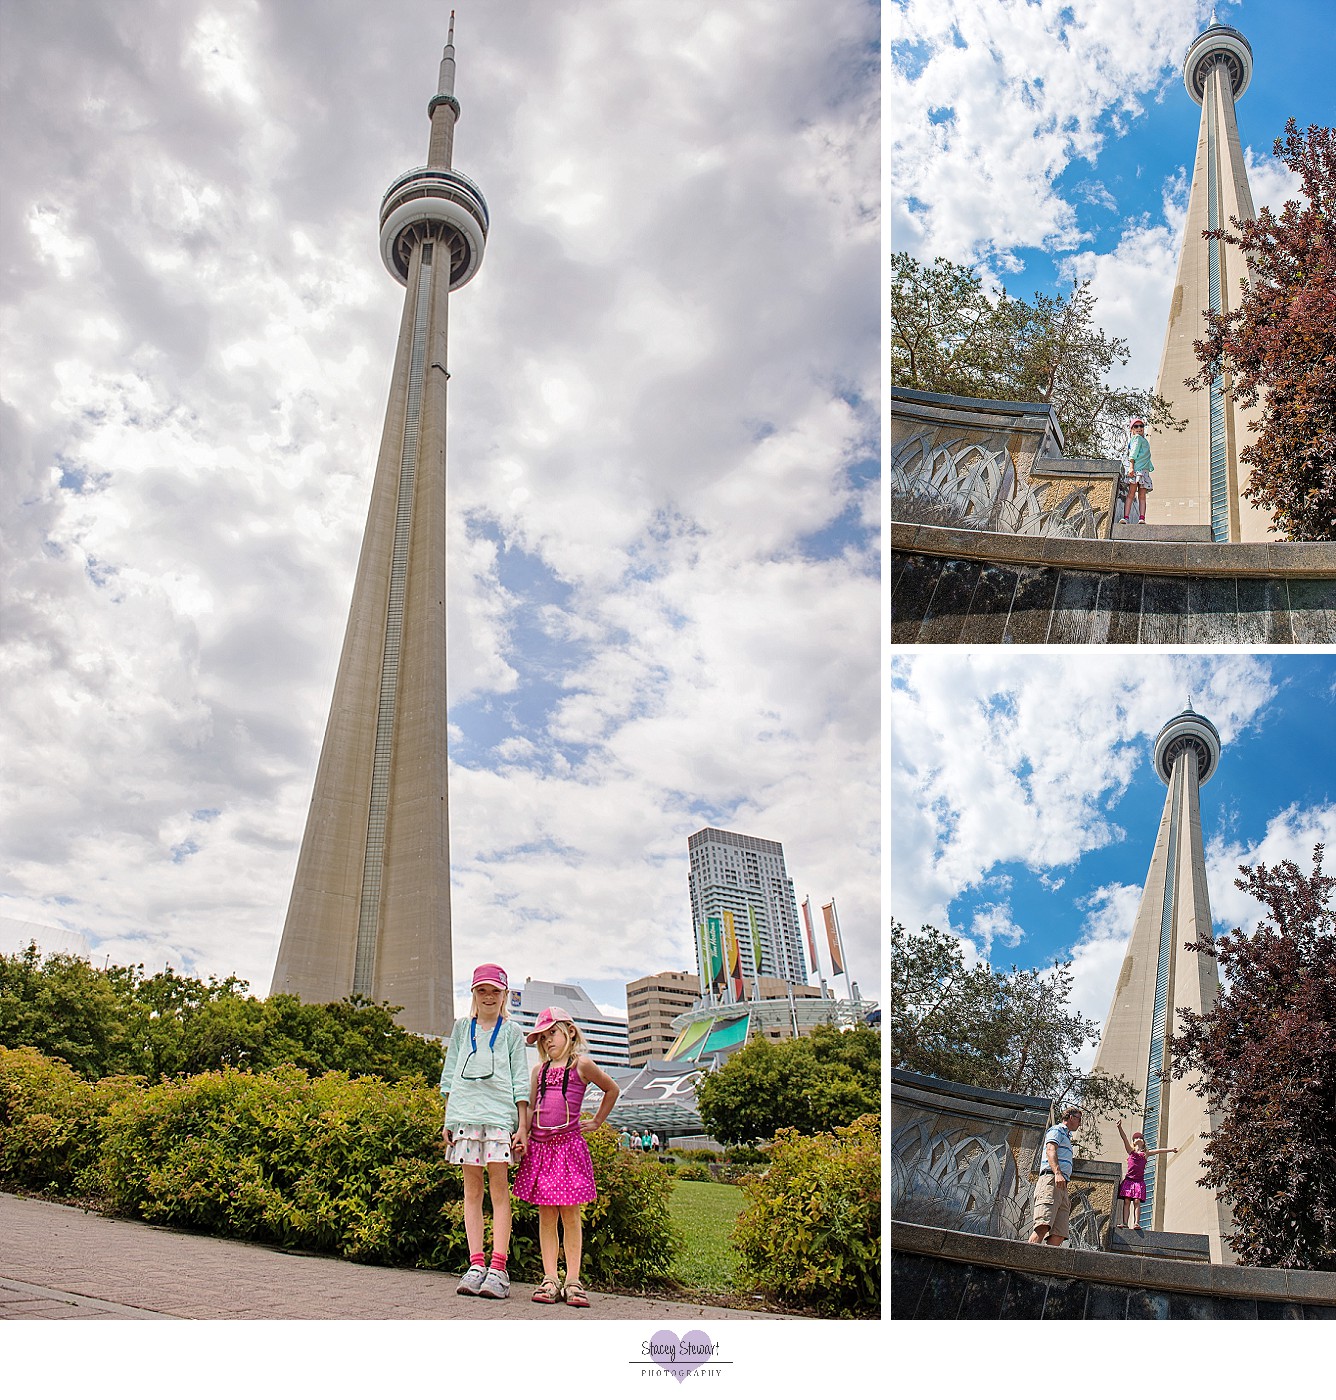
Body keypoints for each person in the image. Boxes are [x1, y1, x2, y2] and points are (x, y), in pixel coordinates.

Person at [512, 1006, 621, 1308]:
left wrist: (597, 1121)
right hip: (541, 1150)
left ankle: (573, 1280)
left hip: (568, 1148)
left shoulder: (581, 1065)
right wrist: (524, 1134)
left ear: (570, 1032)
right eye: (543, 1038)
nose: (548, 1042)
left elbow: (611, 1089)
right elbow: (532, 1107)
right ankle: (550, 1278)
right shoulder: (539, 1071)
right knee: (546, 1215)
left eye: (553, 1034)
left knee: (570, 1215)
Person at [440, 964, 530, 1300]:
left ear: (505, 994)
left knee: (499, 1192)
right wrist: (449, 1120)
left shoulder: (511, 1032)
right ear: (474, 994)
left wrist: (521, 1126)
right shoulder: (462, 1028)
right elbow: (449, 1076)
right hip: (465, 1118)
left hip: (498, 1120)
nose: (489, 997)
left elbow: (520, 1080)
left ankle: (498, 1268)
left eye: (495, 991)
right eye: (482, 990)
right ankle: (475, 1264)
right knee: (472, 1192)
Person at [1028, 1105, 1082, 1248]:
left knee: (1059, 1234)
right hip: (1051, 1179)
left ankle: (1041, 1267)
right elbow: (1050, 1149)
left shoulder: (1067, 1138)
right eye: (1078, 1119)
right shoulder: (1057, 1130)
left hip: (1062, 1186)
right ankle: (1025, 1260)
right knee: (1042, 1226)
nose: (1080, 1123)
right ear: (1071, 1117)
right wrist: (1057, 1172)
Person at [1115, 1119, 1180, 1230]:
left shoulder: (1146, 1154)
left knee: (1136, 1201)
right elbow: (1124, 1138)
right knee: (1126, 1201)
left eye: (1140, 1138)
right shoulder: (1131, 1151)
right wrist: (1119, 1127)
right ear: (1133, 1141)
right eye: (1136, 1138)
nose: (1138, 1139)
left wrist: (1171, 1150)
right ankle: (1125, 1223)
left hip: (1138, 1181)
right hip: (1129, 1180)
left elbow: (1159, 1150)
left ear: (1144, 1142)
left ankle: (1136, 1223)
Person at [1122, 417, 1154, 524]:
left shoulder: (1143, 440)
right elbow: (1133, 453)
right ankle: (1127, 517)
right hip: (1137, 470)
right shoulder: (1136, 438)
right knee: (1132, 494)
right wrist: (1131, 467)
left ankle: (1141, 518)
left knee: (1141, 496)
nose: (1139, 428)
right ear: (1132, 429)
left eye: (1141, 426)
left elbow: (1146, 456)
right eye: (1136, 426)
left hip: (1144, 471)